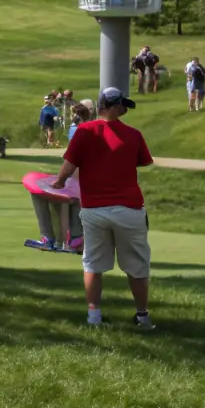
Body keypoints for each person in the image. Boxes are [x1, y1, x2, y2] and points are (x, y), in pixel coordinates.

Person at [51, 87, 155, 329]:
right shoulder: (133, 135)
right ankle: (142, 317)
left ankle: (94, 317)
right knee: (137, 264)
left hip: (94, 209)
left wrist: (59, 181)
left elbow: (69, 163)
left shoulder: (85, 131)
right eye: (122, 105)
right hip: (129, 208)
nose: (125, 109)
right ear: (112, 106)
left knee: (93, 263)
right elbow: (143, 161)